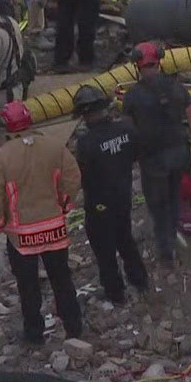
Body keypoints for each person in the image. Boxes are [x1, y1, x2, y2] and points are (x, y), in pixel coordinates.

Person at [0, 100, 83, 343]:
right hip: (54, 229)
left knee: (28, 288)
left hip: (21, 237)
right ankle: (74, 327)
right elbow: (73, 178)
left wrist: (0, 221)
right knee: (62, 279)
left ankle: (34, 333)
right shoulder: (54, 147)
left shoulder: (0, 158)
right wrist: (65, 204)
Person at [119, 41, 191, 264]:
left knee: (158, 206)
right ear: (159, 61)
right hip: (179, 153)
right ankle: (178, 230)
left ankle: (166, 251)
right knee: (176, 194)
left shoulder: (132, 96)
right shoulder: (177, 87)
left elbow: (127, 131)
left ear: (137, 65)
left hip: (152, 159)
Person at [71, 85, 149, 306]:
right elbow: (136, 155)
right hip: (123, 196)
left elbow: (81, 174)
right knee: (125, 239)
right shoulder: (126, 130)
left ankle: (115, 293)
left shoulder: (86, 143)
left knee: (104, 250)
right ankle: (139, 280)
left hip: (98, 204)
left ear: (85, 114)